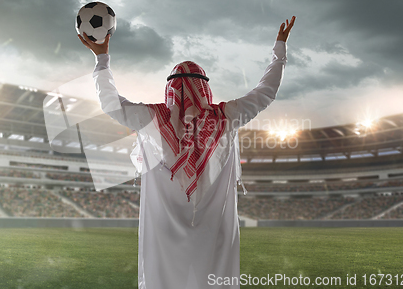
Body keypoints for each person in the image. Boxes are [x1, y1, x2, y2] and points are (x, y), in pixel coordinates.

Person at [78, 16, 295, 289]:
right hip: (215, 228)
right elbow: (265, 93)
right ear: (205, 87)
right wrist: (279, 52)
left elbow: (110, 104)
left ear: (170, 87)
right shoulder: (226, 117)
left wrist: (102, 58)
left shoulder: (152, 119)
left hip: (163, 230)